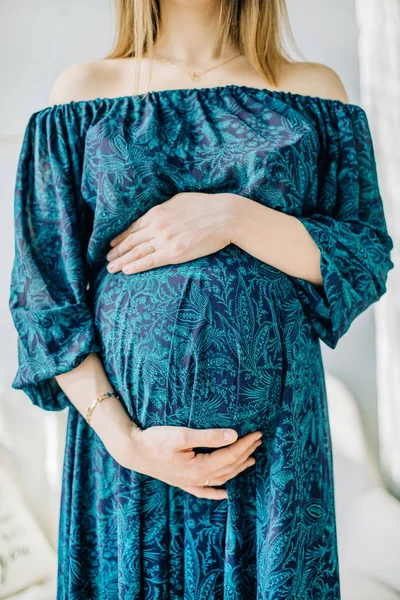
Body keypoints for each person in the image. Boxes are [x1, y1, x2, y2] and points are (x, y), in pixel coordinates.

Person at [9, 0, 394, 598]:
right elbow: (44, 297)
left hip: (276, 446)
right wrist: (128, 444)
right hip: (129, 451)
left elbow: (362, 257)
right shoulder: (83, 94)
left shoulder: (312, 92)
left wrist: (231, 216)